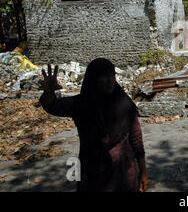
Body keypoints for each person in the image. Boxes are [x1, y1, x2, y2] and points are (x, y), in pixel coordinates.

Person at [39, 58, 149, 192]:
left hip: (124, 174)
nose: (110, 81)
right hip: (92, 173)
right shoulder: (82, 104)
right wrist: (48, 93)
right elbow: (53, 106)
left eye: (112, 75)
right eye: (104, 76)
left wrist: (143, 172)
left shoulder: (124, 104)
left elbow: (136, 139)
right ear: (93, 79)